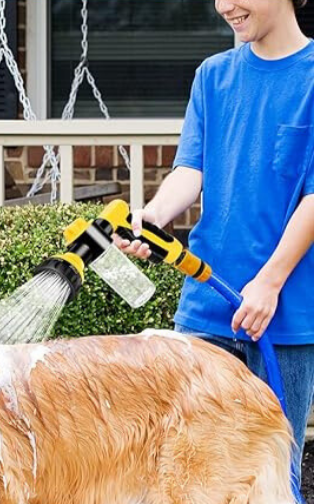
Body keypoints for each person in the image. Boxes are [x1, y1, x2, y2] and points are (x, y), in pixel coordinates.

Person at [117, 0, 314, 478]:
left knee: (270, 471)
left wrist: (269, 283)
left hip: (282, 311)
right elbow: (191, 168)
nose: (224, 6)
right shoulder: (214, 77)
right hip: (207, 304)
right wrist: (155, 215)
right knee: (190, 463)